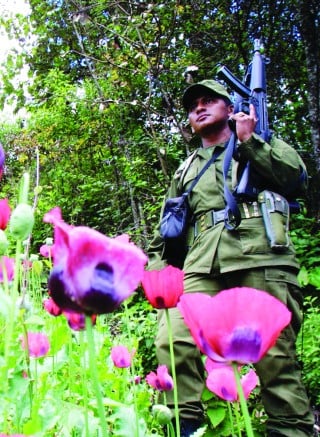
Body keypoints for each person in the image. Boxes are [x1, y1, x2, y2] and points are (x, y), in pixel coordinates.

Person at [147, 79, 315, 437]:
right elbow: (168, 228)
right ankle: (184, 426)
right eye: (194, 107)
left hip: (261, 256)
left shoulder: (262, 142)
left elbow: (295, 179)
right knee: (173, 339)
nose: (200, 108)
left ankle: (292, 430)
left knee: (275, 356)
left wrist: (249, 141)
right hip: (202, 264)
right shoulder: (186, 169)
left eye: (209, 101)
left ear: (229, 107)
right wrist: (157, 274)